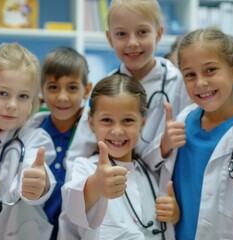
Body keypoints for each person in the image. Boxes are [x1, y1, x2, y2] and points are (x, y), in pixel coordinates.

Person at [156, 27, 233, 239]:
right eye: (190, 75)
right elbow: (160, 175)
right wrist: (164, 146)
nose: (201, 82)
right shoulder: (182, 121)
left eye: (210, 70)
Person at [65, 0, 191, 192]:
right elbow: (77, 154)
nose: (132, 42)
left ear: (158, 34)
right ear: (109, 38)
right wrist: (79, 193)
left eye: (142, 32)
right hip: (113, 193)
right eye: (121, 34)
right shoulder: (105, 88)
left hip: (163, 193)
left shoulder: (178, 83)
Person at [61, 74, 179, 240]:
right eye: (107, 120)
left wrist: (173, 215)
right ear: (91, 123)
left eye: (127, 120)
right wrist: (95, 185)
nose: (117, 131)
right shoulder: (85, 168)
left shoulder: (148, 173)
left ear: (142, 123)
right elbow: (73, 205)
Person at [0, 42, 56, 240]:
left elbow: (36, 170)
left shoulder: (35, 139)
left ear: (33, 100)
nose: (12, 105)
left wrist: (38, 185)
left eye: (23, 96)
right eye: (2, 93)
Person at [25, 46, 92, 240]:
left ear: (86, 90)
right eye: (53, 87)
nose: (62, 97)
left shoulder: (92, 136)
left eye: (72, 88)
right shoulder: (31, 133)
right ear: (41, 90)